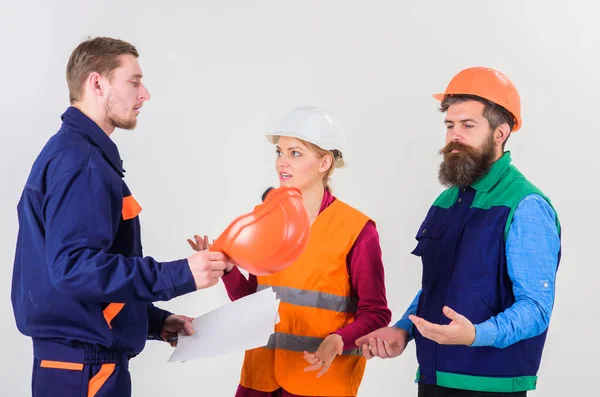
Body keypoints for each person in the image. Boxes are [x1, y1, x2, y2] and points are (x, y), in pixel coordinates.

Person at [11, 36, 231, 397]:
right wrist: (183, 273)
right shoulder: (82, 163)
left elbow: (79, 279)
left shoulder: (78, 155)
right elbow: (75, 268)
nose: (144, 94)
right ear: (97, 83)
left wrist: (154, 321)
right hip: (86, 372)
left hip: (78, 368)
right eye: (134, 82)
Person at [356, 67, 562, 396]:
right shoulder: (447, 201)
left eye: (468, 125)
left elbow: (536, 308)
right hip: (434, 377)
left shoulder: (525, 205)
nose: (455, 135)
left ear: (500, 132)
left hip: (491, 385)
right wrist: (404, 330)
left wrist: (477, 335)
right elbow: (440, 288)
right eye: (450, 125)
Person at [188, 106, 392, 397]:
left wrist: (337, 340)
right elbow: (254, 304)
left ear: (324, 162)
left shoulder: (357, 230)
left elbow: (376, 312)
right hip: (260, 377)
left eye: (295, 153)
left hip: (319, 379)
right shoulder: (266, 219)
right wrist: (227, 269)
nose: (282, 162)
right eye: (279, 152)